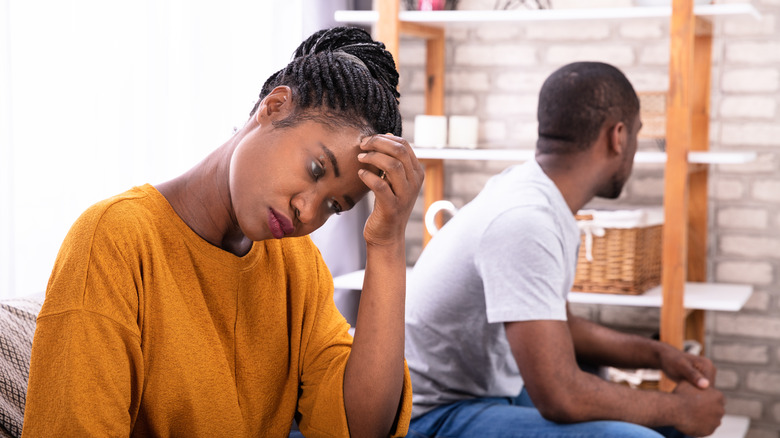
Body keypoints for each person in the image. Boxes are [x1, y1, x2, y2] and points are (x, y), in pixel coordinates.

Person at [22, 26, 423, 437]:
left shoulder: (297, 267)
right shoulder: (115, 240)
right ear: (275, 106)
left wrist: (387, 243)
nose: (307, 211)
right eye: (316, 169)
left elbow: (361, 427)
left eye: (334, 206)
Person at [404, 61, 724, 438]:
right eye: (636, 136)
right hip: (432, 414)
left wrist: (659, 355)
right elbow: (560, 396)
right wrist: (682, 409)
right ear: (617, 137)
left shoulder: (536, 194)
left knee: (635, 406)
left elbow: (562, 326)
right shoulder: (526, 221)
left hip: (483, 391)